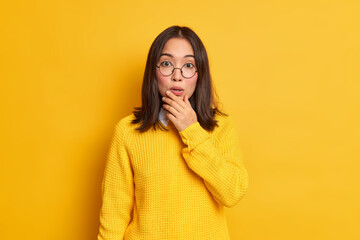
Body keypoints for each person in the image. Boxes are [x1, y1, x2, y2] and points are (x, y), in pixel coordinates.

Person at [97, 25, 249, 240]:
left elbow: (232, 193)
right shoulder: (127, 131)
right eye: (167, 64)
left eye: (188, 65)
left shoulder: (221, 126)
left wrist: (192, 131)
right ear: (154, 71)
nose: (177, 76)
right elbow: (113, 215)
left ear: (199, 74)